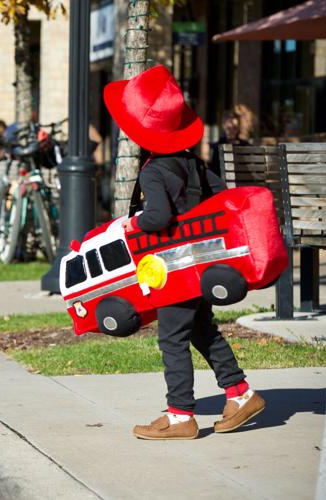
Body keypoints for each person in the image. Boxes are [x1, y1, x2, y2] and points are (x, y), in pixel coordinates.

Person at [105, 65, 265, 440]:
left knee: (172, 338)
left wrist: (136, 223)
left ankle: (180, 416)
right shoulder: (193, 163)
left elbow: (158, 215)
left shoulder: (153, 172)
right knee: (200, 329)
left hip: (172, 267)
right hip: (199, 262)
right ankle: (240, 394)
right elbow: (222, 194)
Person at [208, 109, 250, 178]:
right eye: (229, 128)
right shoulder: (217, 147)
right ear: (224, 126)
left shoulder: (246, 145)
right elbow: (214, 171)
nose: (232, 130)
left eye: (235, 127)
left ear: (238, 128)